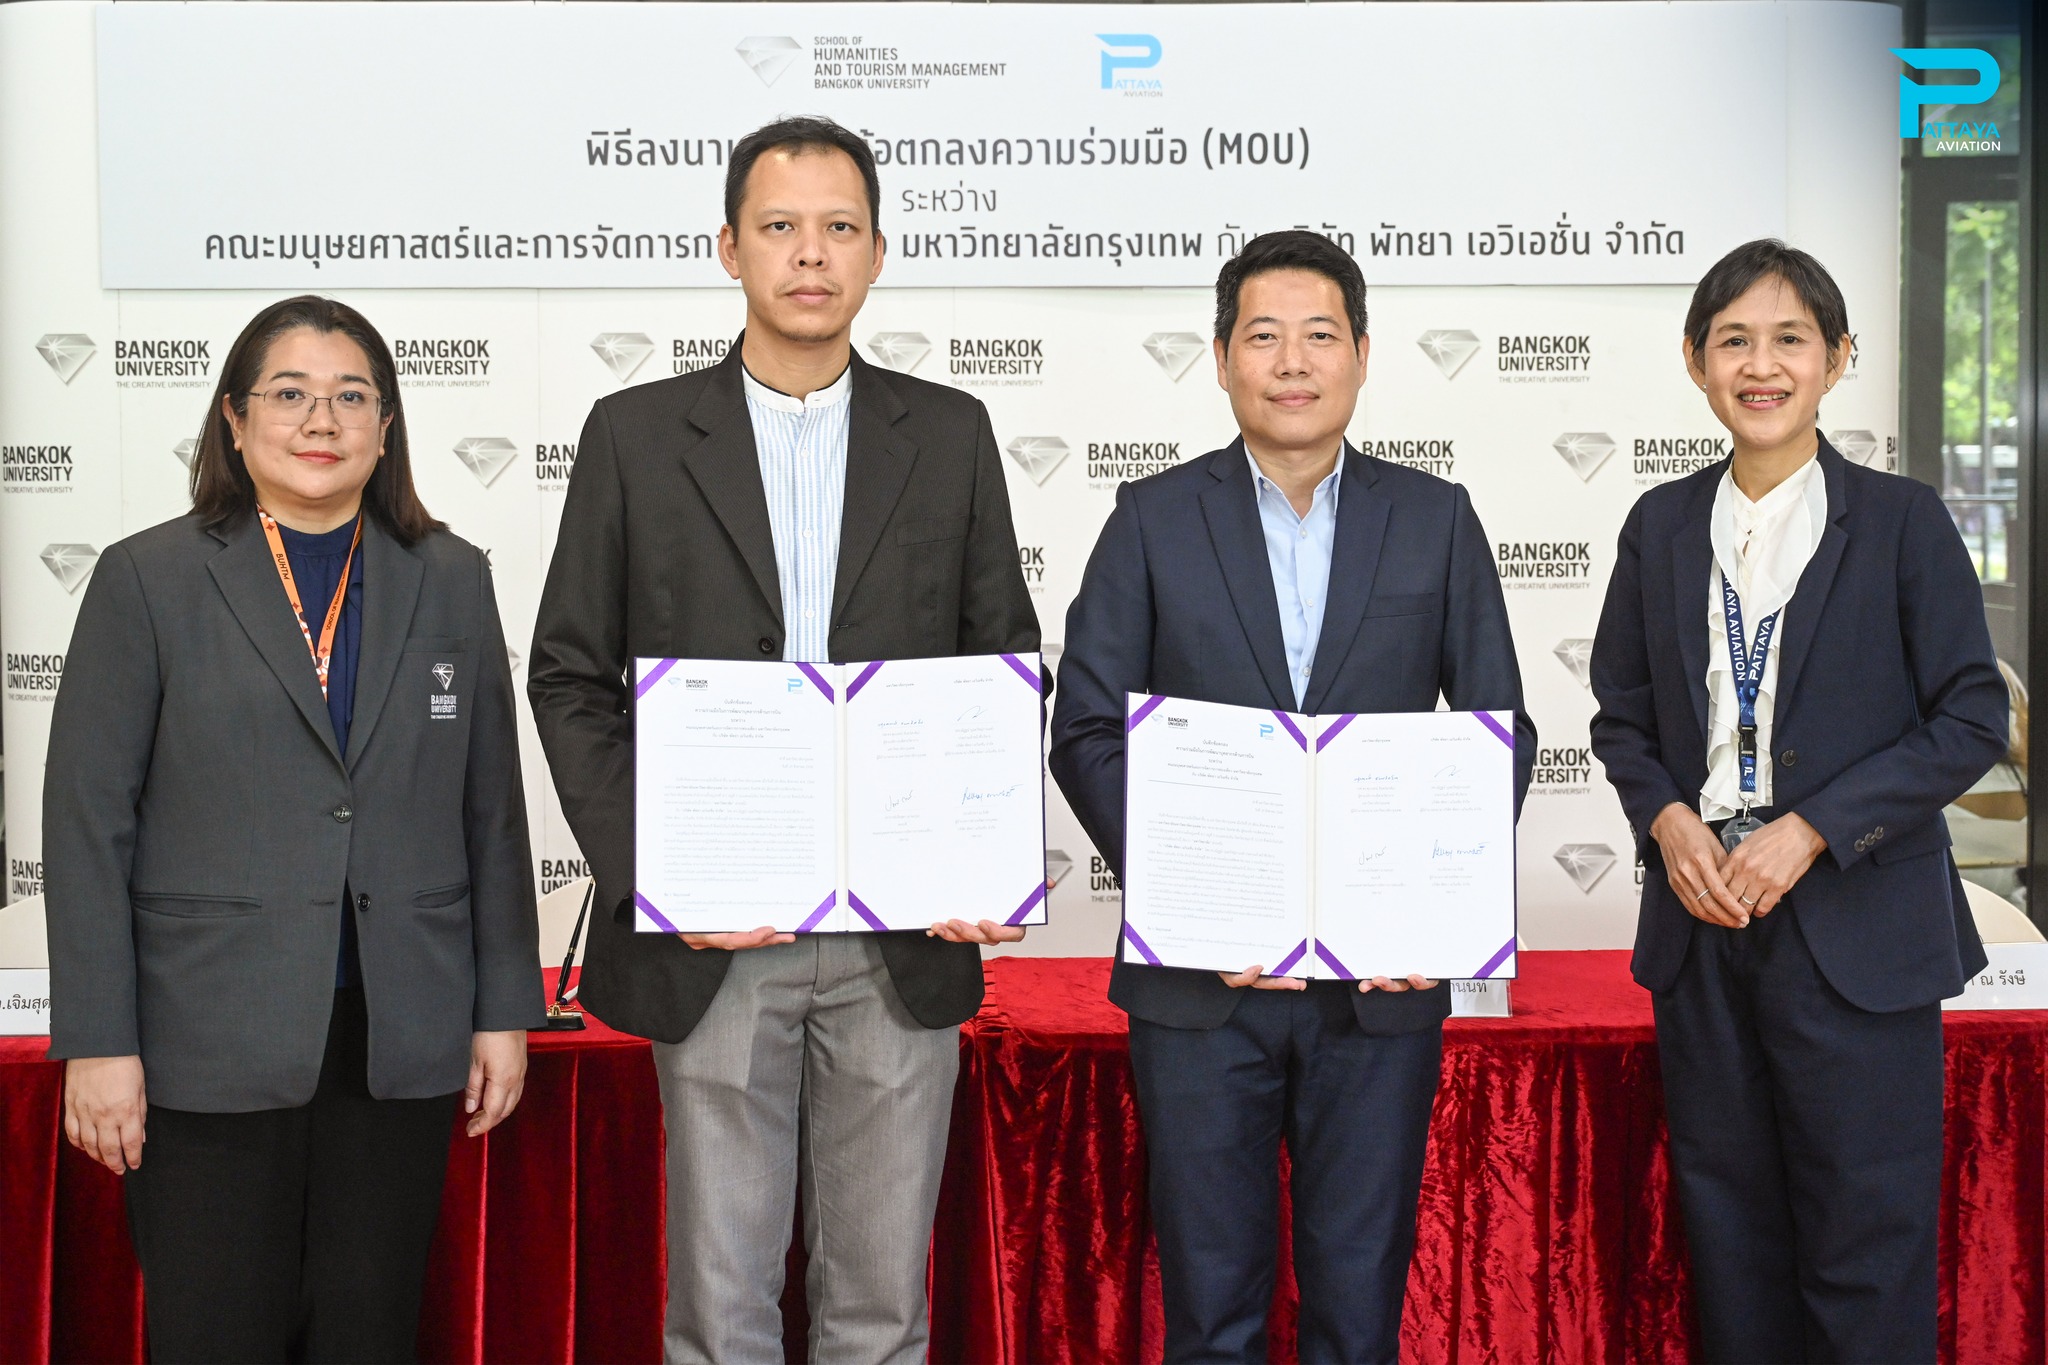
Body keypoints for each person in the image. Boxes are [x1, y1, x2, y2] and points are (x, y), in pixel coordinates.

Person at [528, 116, 1038, 1365]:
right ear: (728, 248)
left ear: (876, 253)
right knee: (719, 1317)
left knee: (880, 1316)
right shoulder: (635, 435)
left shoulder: (950, 433)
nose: (810, 254)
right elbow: (569, 678)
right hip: (716, 938)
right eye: (779, 227)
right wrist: (660, 873)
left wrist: (976, 854)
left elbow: (1000, 669)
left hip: (898, 938)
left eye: (838, 227)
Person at [1048, 231, 1534, 1365]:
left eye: (1319, 335)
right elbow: (1086, 731)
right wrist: (1198, 899)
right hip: (1200, 989)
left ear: (1361, 353)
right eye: (1262, 336)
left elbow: (1496, 736)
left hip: (1377, 990)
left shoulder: (1436, 518)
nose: (1292, 362)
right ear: (1221, 358)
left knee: (1356, 1318)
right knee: (1211, 1316)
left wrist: (1424, 915)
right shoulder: (1152, 517)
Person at [45, 295, 543, 1364]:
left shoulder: (451, 575)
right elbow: (87, 823)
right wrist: (98, 1039)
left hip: (397, 1035)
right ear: (234, 419)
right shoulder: (147, 578)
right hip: (205, 1038)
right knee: (214, 1333)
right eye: (289, 394)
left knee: (370, 1331)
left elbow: (491, 809)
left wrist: (505, 1008)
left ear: (386, 424)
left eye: (351, 396)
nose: (322, 419)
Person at [1588, 239, 2007, 1362]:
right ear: (1694, 361)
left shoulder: (1903, 520)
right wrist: (1668, 821)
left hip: (1857, 929)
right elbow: (1620, 718)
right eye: (1733, 341)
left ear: (1837, 358)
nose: (1760, 366)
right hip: (1701, 923)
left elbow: (1971, 717)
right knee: (1729, 1241)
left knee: (1863, 1244)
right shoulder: (1658, 524)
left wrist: (1815, 827)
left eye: (1789, 340)